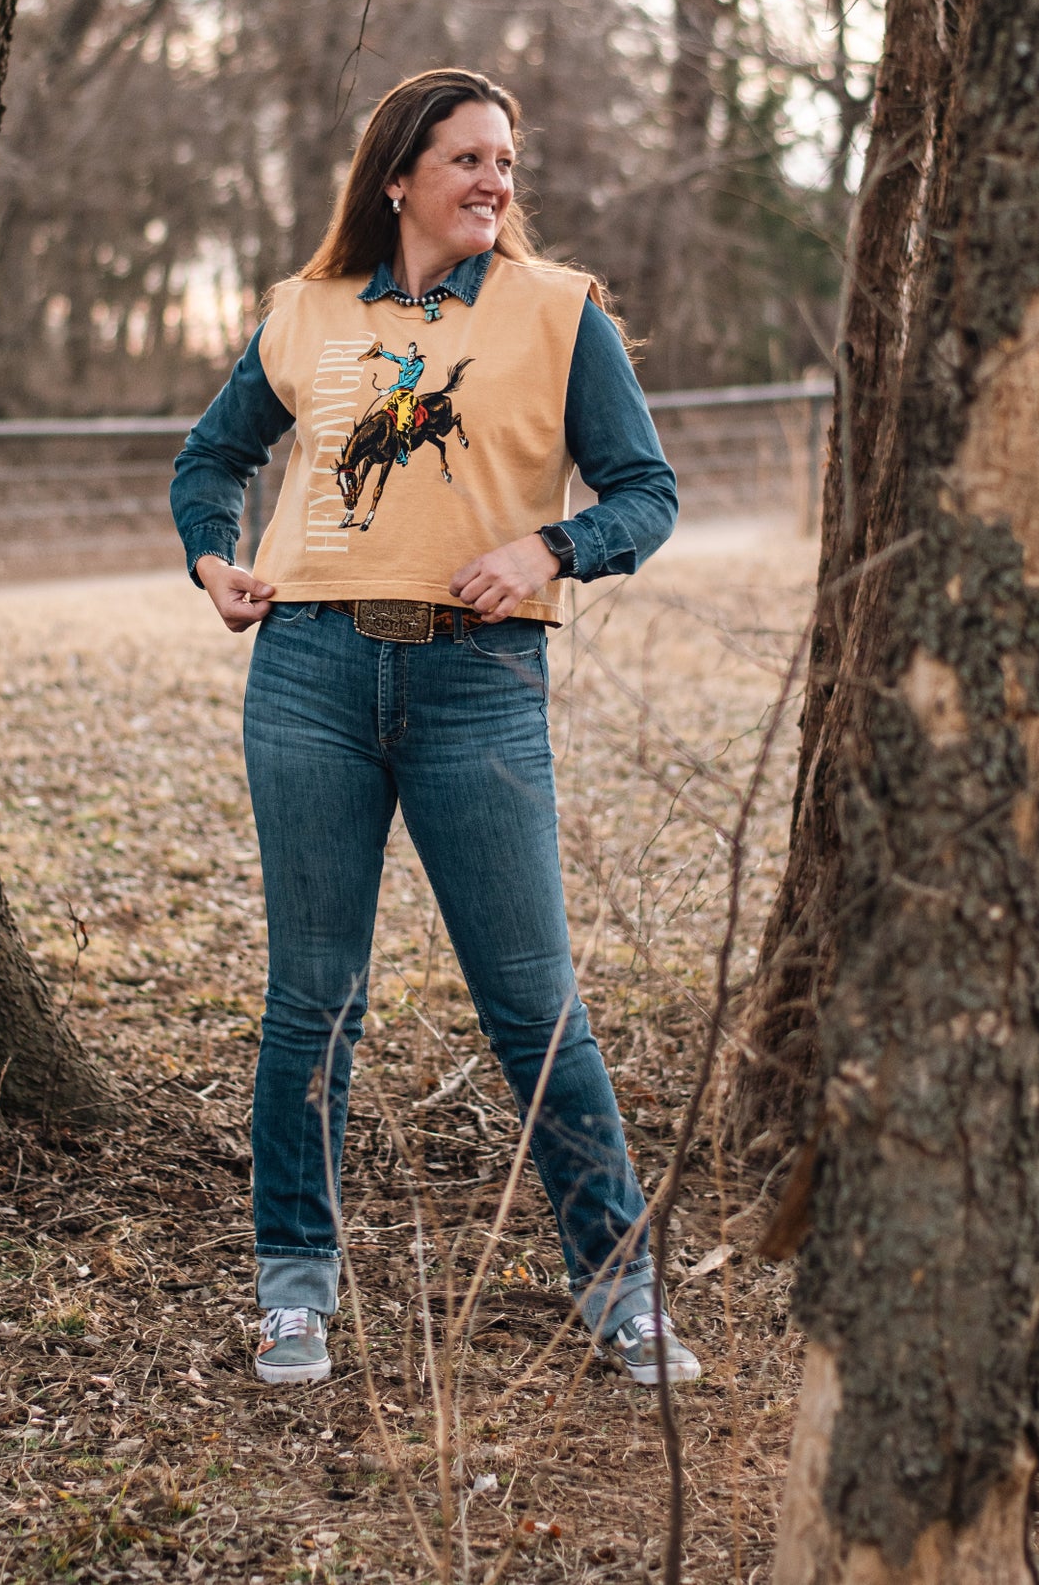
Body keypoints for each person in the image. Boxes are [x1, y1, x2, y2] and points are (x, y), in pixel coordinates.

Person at [170, 67, 697, 1390]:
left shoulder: (560, 313)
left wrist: (552, 550)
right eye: (465, 157)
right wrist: (210, 558)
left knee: (533, 1004)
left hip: (479, 683)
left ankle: (622, 1290)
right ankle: (293, 1291)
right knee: (312, 1000)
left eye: (506, 160)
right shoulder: (308, 312)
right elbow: (209, 459)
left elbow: (645, 489)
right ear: (395, 175)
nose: (494, 180)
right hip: (306, 675)